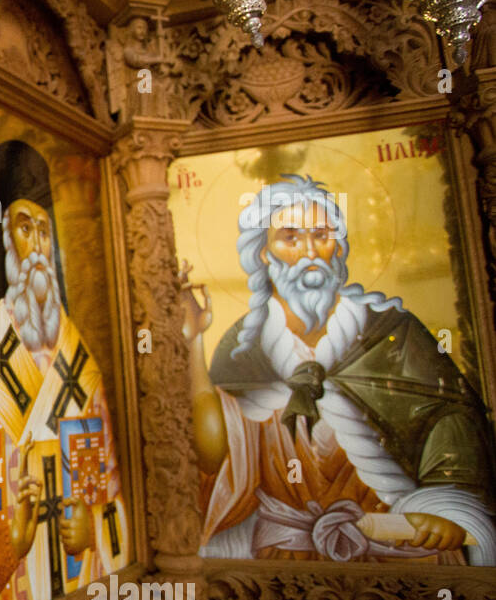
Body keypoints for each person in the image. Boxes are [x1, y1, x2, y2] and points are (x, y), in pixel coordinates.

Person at [181, 173, 496, 564]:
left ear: (338, 246)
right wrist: (192, 340)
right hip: (285, 561)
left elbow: (451, 417)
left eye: (321, 236)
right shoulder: (243, 346)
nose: (310, 251)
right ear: (265, 252)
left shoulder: (393, 331)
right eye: (291, 239)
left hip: (400, 547)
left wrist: (444, 508)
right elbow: (217, 455)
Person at [0, 141, 127, 600]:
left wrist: (94, 530)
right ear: (4, 242)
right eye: (22, 226)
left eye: (43, 230)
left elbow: (113, 496)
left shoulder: (82, 365)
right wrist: (10, 545)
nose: (35, 245)